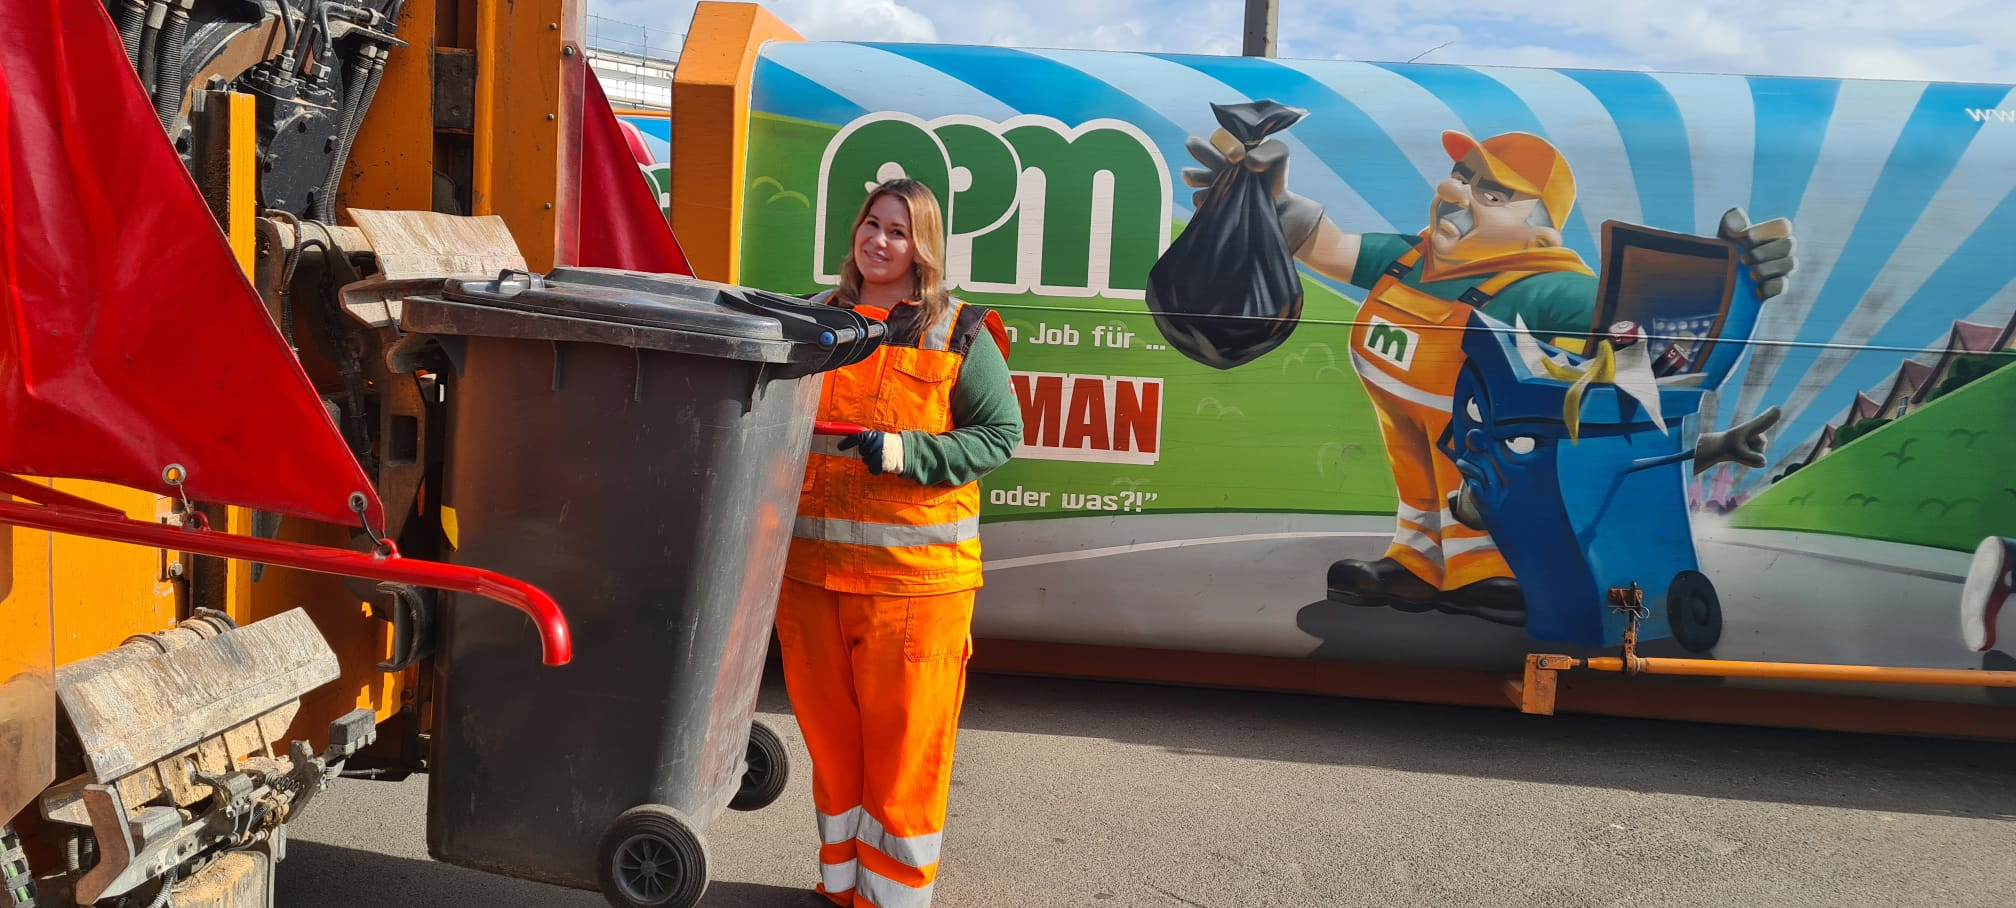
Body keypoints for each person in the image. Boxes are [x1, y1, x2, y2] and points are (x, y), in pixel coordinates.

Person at [1175, 125, 1794, 626]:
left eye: (1493, 193)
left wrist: (1727, 287)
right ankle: (1415, 562)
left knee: (1467, 482)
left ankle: (1489, 568)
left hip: (1481, 439)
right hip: (1402, 413)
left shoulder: (1549, 286)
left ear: (1541, 223)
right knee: (1416, 481)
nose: (1456, 190)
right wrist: (1258, 205)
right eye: (1464, 176)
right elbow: (1328, 247)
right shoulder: (1414, 256)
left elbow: (1638, 343)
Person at [778, 178, 1022, 908]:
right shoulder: (811, 318)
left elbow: (999, 435)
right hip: (811, 581)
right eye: (872, 224)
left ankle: (894, 902)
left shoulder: (957, 331)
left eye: (900, 230)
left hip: (913, 588)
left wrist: (905, 454)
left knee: (904, 759)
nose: (880, 241)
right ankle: (842, 886)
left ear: (924, 248)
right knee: (834, 752)